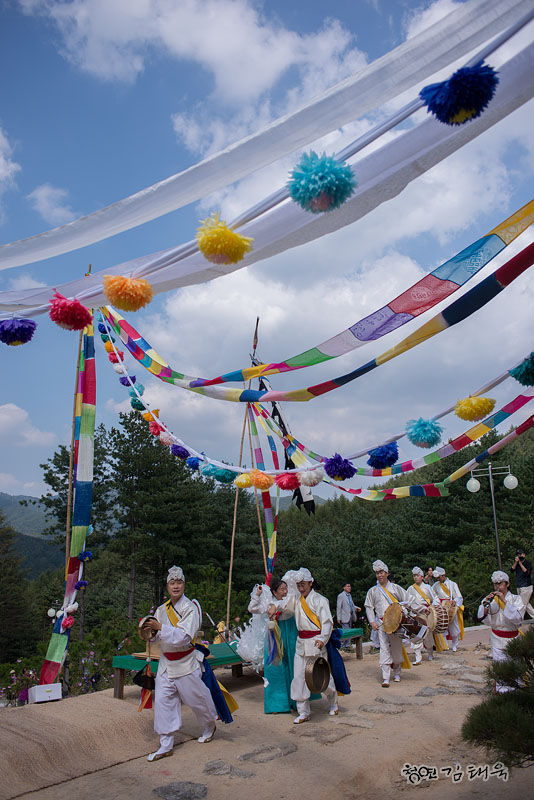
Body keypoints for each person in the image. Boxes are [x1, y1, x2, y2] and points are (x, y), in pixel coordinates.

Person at [144, 565, 218, 762]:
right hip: (166, 663)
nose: (175, 586)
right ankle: (165, 744)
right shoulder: (161, 610)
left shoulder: (190, 608)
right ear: (167, 586)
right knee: (162, 702)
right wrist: (150, 634)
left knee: (196, 700)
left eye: (179, 582)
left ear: (184, 584)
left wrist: (160, 627)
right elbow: (157, 638)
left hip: (186, 661)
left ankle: (210, 724)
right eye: (172, 583)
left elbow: (185, 637)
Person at [270, 567, 344, 724]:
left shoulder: (320, 600)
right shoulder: (296, 599)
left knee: (321, 677)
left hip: (316, 643)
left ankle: (333, 702)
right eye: (298, 585)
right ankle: (303, 711)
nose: (300, 588)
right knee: (298, 677)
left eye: (303, 584)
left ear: (310, 583)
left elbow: (327, 622)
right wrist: (274, 607)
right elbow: (283, 603)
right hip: (300, 643)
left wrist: (323, 638)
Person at [364, 560, 423, 687]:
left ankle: (397, 672)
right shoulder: (373, 591)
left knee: (396, 648)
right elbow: (369, 606)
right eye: (377, 573)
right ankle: (385, 677)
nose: (379, 575)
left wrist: (422, 608)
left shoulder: (395, 588)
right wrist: (372, 621)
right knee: (384, 649)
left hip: (396, 623)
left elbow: (409, 600)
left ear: (386, 573)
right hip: (381, 623)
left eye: (381, 572)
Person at [477, 570, 524, 692]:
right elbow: (484, 619)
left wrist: (504, 601)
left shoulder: (516, 599)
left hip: (513, 639)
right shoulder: (491, 600)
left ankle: (517, 692)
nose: (497, 586)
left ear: (507, 584)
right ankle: (503, 694)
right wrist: (485, 606)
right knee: (501, 668)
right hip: (497, 639)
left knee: (515, 667)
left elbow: (517, 619)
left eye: (500, 583)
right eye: (495, 583)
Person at [406, 567, 435, 664]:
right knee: (414, 633)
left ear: (422, 577)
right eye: (414, 576)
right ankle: (418, 657)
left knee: (428, 634)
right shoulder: (410, 588)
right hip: (414, 614)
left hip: (425, 613)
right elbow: (407, 601)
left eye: (417, 576)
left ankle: (430, 653)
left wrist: (433, 609)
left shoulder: (427, 587)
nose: (415, 578)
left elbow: (435, 599)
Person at [432, 566, 464, 652]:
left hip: (451, 607)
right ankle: (445, 645)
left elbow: (459, 597)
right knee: (442, 627)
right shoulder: (435, 585)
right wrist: (437, 604)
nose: (438, 579)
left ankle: (455, 645)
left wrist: (455, 602)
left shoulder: (452, 584)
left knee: (454, 628)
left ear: (443, 575)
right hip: (441, 608)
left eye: (439, 577)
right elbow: (434, 597)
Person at [510, 548, 534, 619]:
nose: (519, 556)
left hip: (526, 586)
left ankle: (519, 619)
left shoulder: (528, 563)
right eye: (517, 555)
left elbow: (526, 572)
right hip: (519, 586)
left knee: (522, 605)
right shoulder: (516, 564)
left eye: (520, 554)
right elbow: (512, 570)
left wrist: (520, 563)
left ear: (524, 555)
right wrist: (516, 562)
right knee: (527, 604)